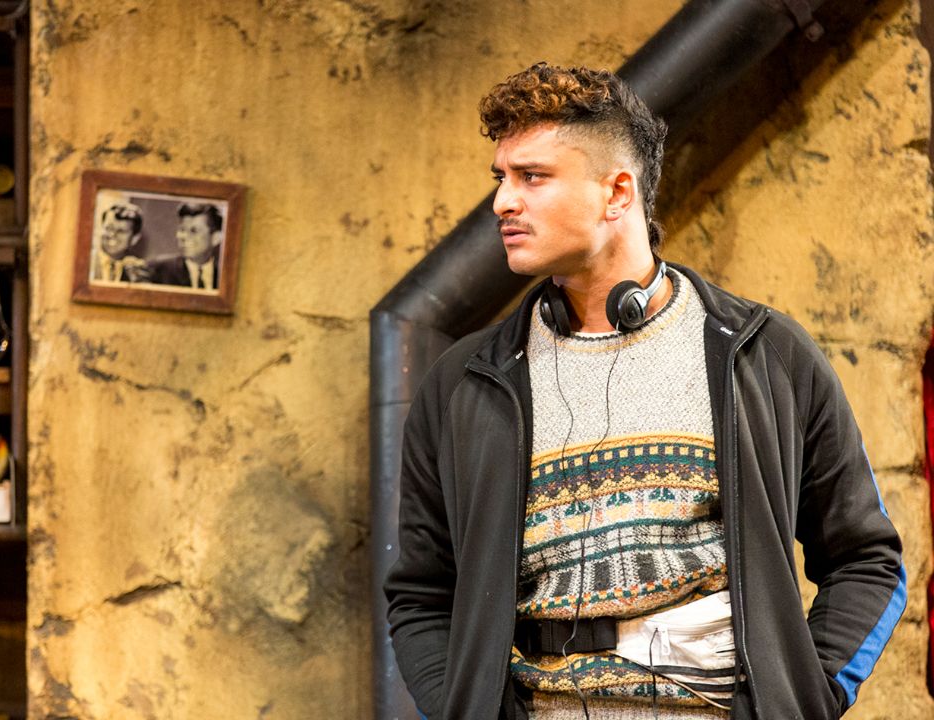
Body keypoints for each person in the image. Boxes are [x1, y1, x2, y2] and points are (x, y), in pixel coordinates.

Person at [384, 63, 905, 720]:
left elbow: (866, 558)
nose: (503, 203)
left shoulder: (765, 354)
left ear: (617, 192)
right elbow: (420, 598)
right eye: (501, 178)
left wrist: (806, 696)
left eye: (532, 177)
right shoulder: (463, 384)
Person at [143, 202, 222, 289]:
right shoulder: (156, 270)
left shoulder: (225, 276)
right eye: (182, 229)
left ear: (216, 238)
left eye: (193, 231)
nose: (182, 236)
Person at [92, 202, 145, 283]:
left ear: (135, 238)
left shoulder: (137, 271)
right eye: (109, 228)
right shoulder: (86, 261)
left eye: (121, 231)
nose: (112, 234)